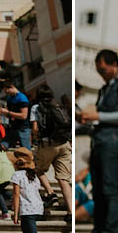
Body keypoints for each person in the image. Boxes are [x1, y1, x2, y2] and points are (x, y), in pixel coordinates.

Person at [78, 49, 118, 233]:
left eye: (103, 70)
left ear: (114, 65)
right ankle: (100, 228)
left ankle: (111, 230)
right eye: (99, 71)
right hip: (99, 141)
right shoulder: (105, 88)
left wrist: (98, 115)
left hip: (113, 141)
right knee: (99, 190)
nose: (101, 75)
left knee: (110, 188)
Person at [30, 85, 74, 222]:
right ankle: (71, 212)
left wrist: (36, 138)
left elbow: (35, 129)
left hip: (47, 144)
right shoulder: (58, 105)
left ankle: (50, 192)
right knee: (64, 179)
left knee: (38, 170)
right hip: (64, 143)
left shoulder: (36, 108)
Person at [11, 148, 44, 233]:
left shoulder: (17, 175)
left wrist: (15, 214)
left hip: (27, 209)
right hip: (38, 207)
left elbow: (16, 194)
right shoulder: (33, 176)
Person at [2, 83, 32, 150]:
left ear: (12, 87)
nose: (7, 93)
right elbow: (10, 115)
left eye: (7, 91)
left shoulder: (22, 97)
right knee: (2, 145)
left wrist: (8, 112)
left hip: (23, 128)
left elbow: (24, 116)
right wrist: (5, 113)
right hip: (13, 128)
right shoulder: (9, 98)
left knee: (25, 151)